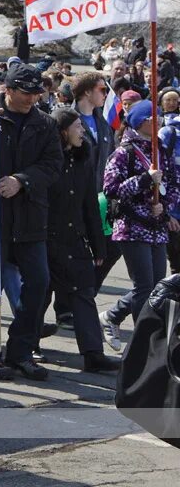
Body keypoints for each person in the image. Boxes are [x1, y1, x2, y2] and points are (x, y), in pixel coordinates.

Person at [0, 63, 62, 381]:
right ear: (7, 90)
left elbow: (53, 165)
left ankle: (21, 350)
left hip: (30, 214)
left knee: (39, 282)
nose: (33, 98)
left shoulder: (45, 124)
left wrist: (21, 180)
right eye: (26, 92)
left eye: (37, 92)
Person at [100, 100, 180, 352]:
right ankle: (142, 343)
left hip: (156, 227)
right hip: (132, 226)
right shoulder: (125, 152)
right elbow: (111, 189)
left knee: (158, 287)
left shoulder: (161, 151)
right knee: (145, 286)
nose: (157, 121)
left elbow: (174, 184)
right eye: (153, 117)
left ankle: (113, 315)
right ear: (142, 121)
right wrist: (144, 180)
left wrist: (164, 207)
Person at [45, 107, 121, 373]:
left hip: (75, 240)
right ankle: (26, 347)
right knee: (40, 296)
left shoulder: (83, 160)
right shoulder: (47, 161)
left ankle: (93, 354)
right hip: (46, 241)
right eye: (77, 126)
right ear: (63, 131)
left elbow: (89, 205)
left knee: (85, 295)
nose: (82, 131)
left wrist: (98, 245)